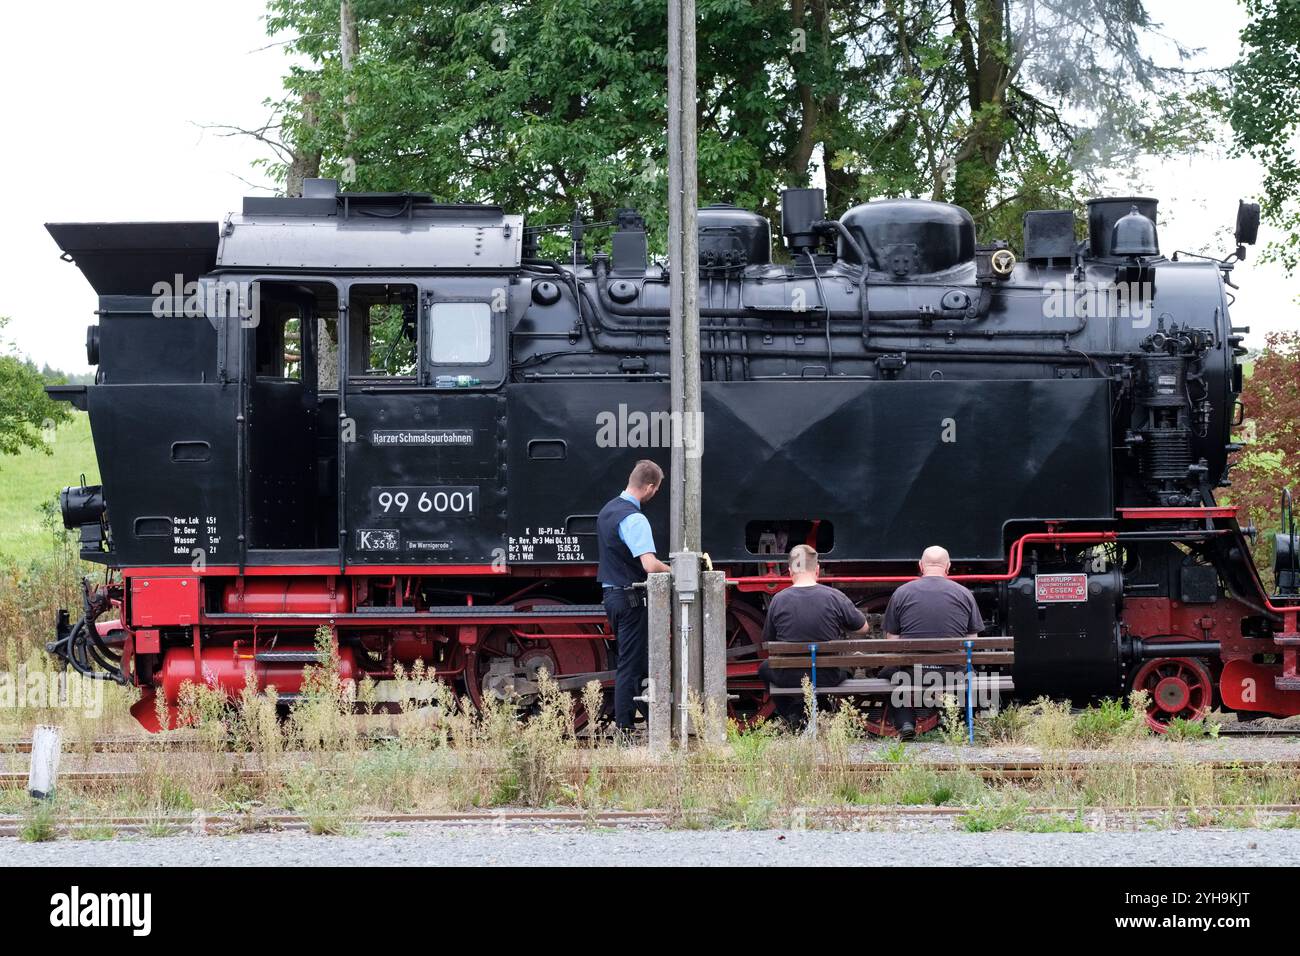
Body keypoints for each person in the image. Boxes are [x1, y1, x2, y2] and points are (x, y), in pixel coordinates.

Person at [757, 544, 870, 726]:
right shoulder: (835, 596)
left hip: (788, 676)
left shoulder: (778, 600)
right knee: (845, 669)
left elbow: (768, 640)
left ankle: (793, 712)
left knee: (764, 668)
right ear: (817, 570)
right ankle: (819, 710)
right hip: (827, 675)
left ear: (790, 571)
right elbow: (863, 628)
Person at [597, 460, 671, 734]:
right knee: (630, 664)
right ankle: (624, 728)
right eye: (656, 490)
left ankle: (655, 721)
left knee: (635, 661)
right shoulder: (634, 518)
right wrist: (672, 570)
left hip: (612, 596)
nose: (655, 494)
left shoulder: (607, 510)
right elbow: (649, 565)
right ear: (650, 487)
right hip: (630, 598)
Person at [881, 545, 984, 739]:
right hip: (953, 673)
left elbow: (892, 641)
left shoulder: (901, 593)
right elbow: (972, 641)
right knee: (970, 673)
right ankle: (950, 720)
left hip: (912, 673)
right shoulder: (964, 593)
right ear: (948, 566)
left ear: (920, 565)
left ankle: (905, 723)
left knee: (888, 673)